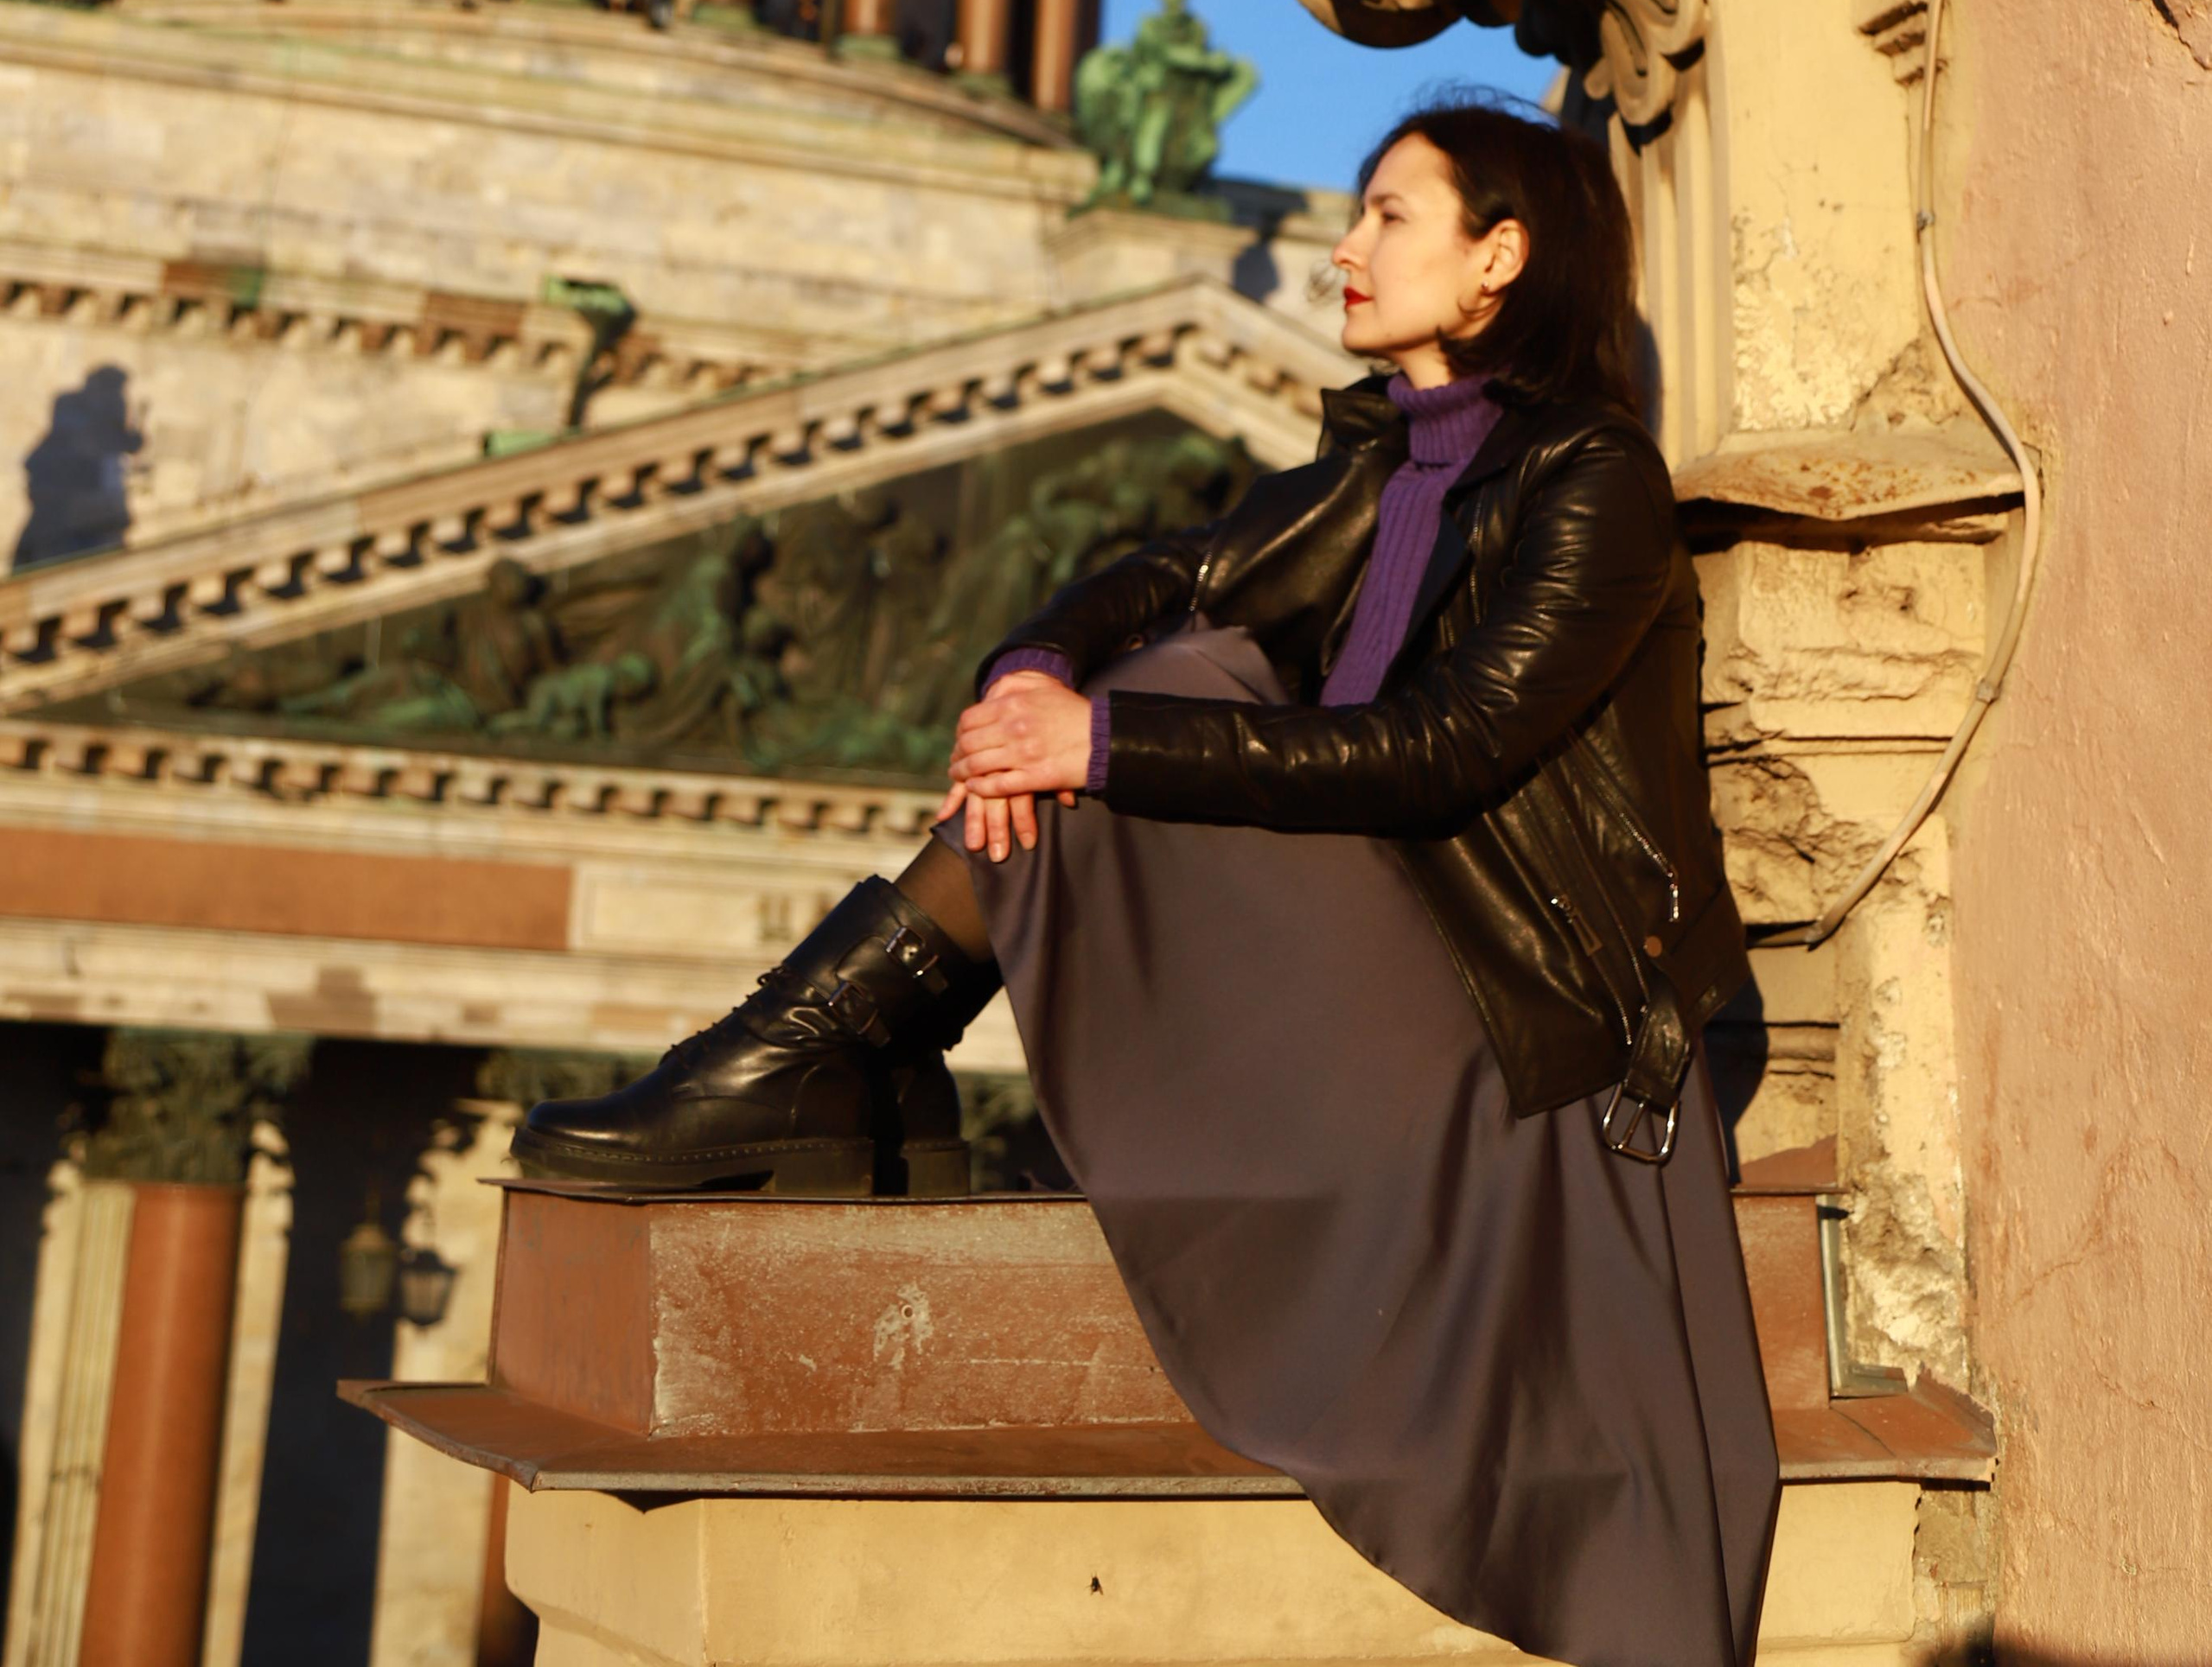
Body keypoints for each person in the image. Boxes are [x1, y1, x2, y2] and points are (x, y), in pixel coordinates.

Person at [512, 99, 1776, 1667]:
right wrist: (1037, 663)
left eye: (1390, 213)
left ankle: (818, 1056)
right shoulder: (1378, 464)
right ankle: (824, 1054)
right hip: (1393, 984)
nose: (1343, 247)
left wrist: (1099, 737)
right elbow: (1172, 574)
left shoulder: (1596, 481)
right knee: (1167, 656)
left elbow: (1440, 754)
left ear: (1500, 256)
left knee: (1147, 711)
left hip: (1525, 1033)